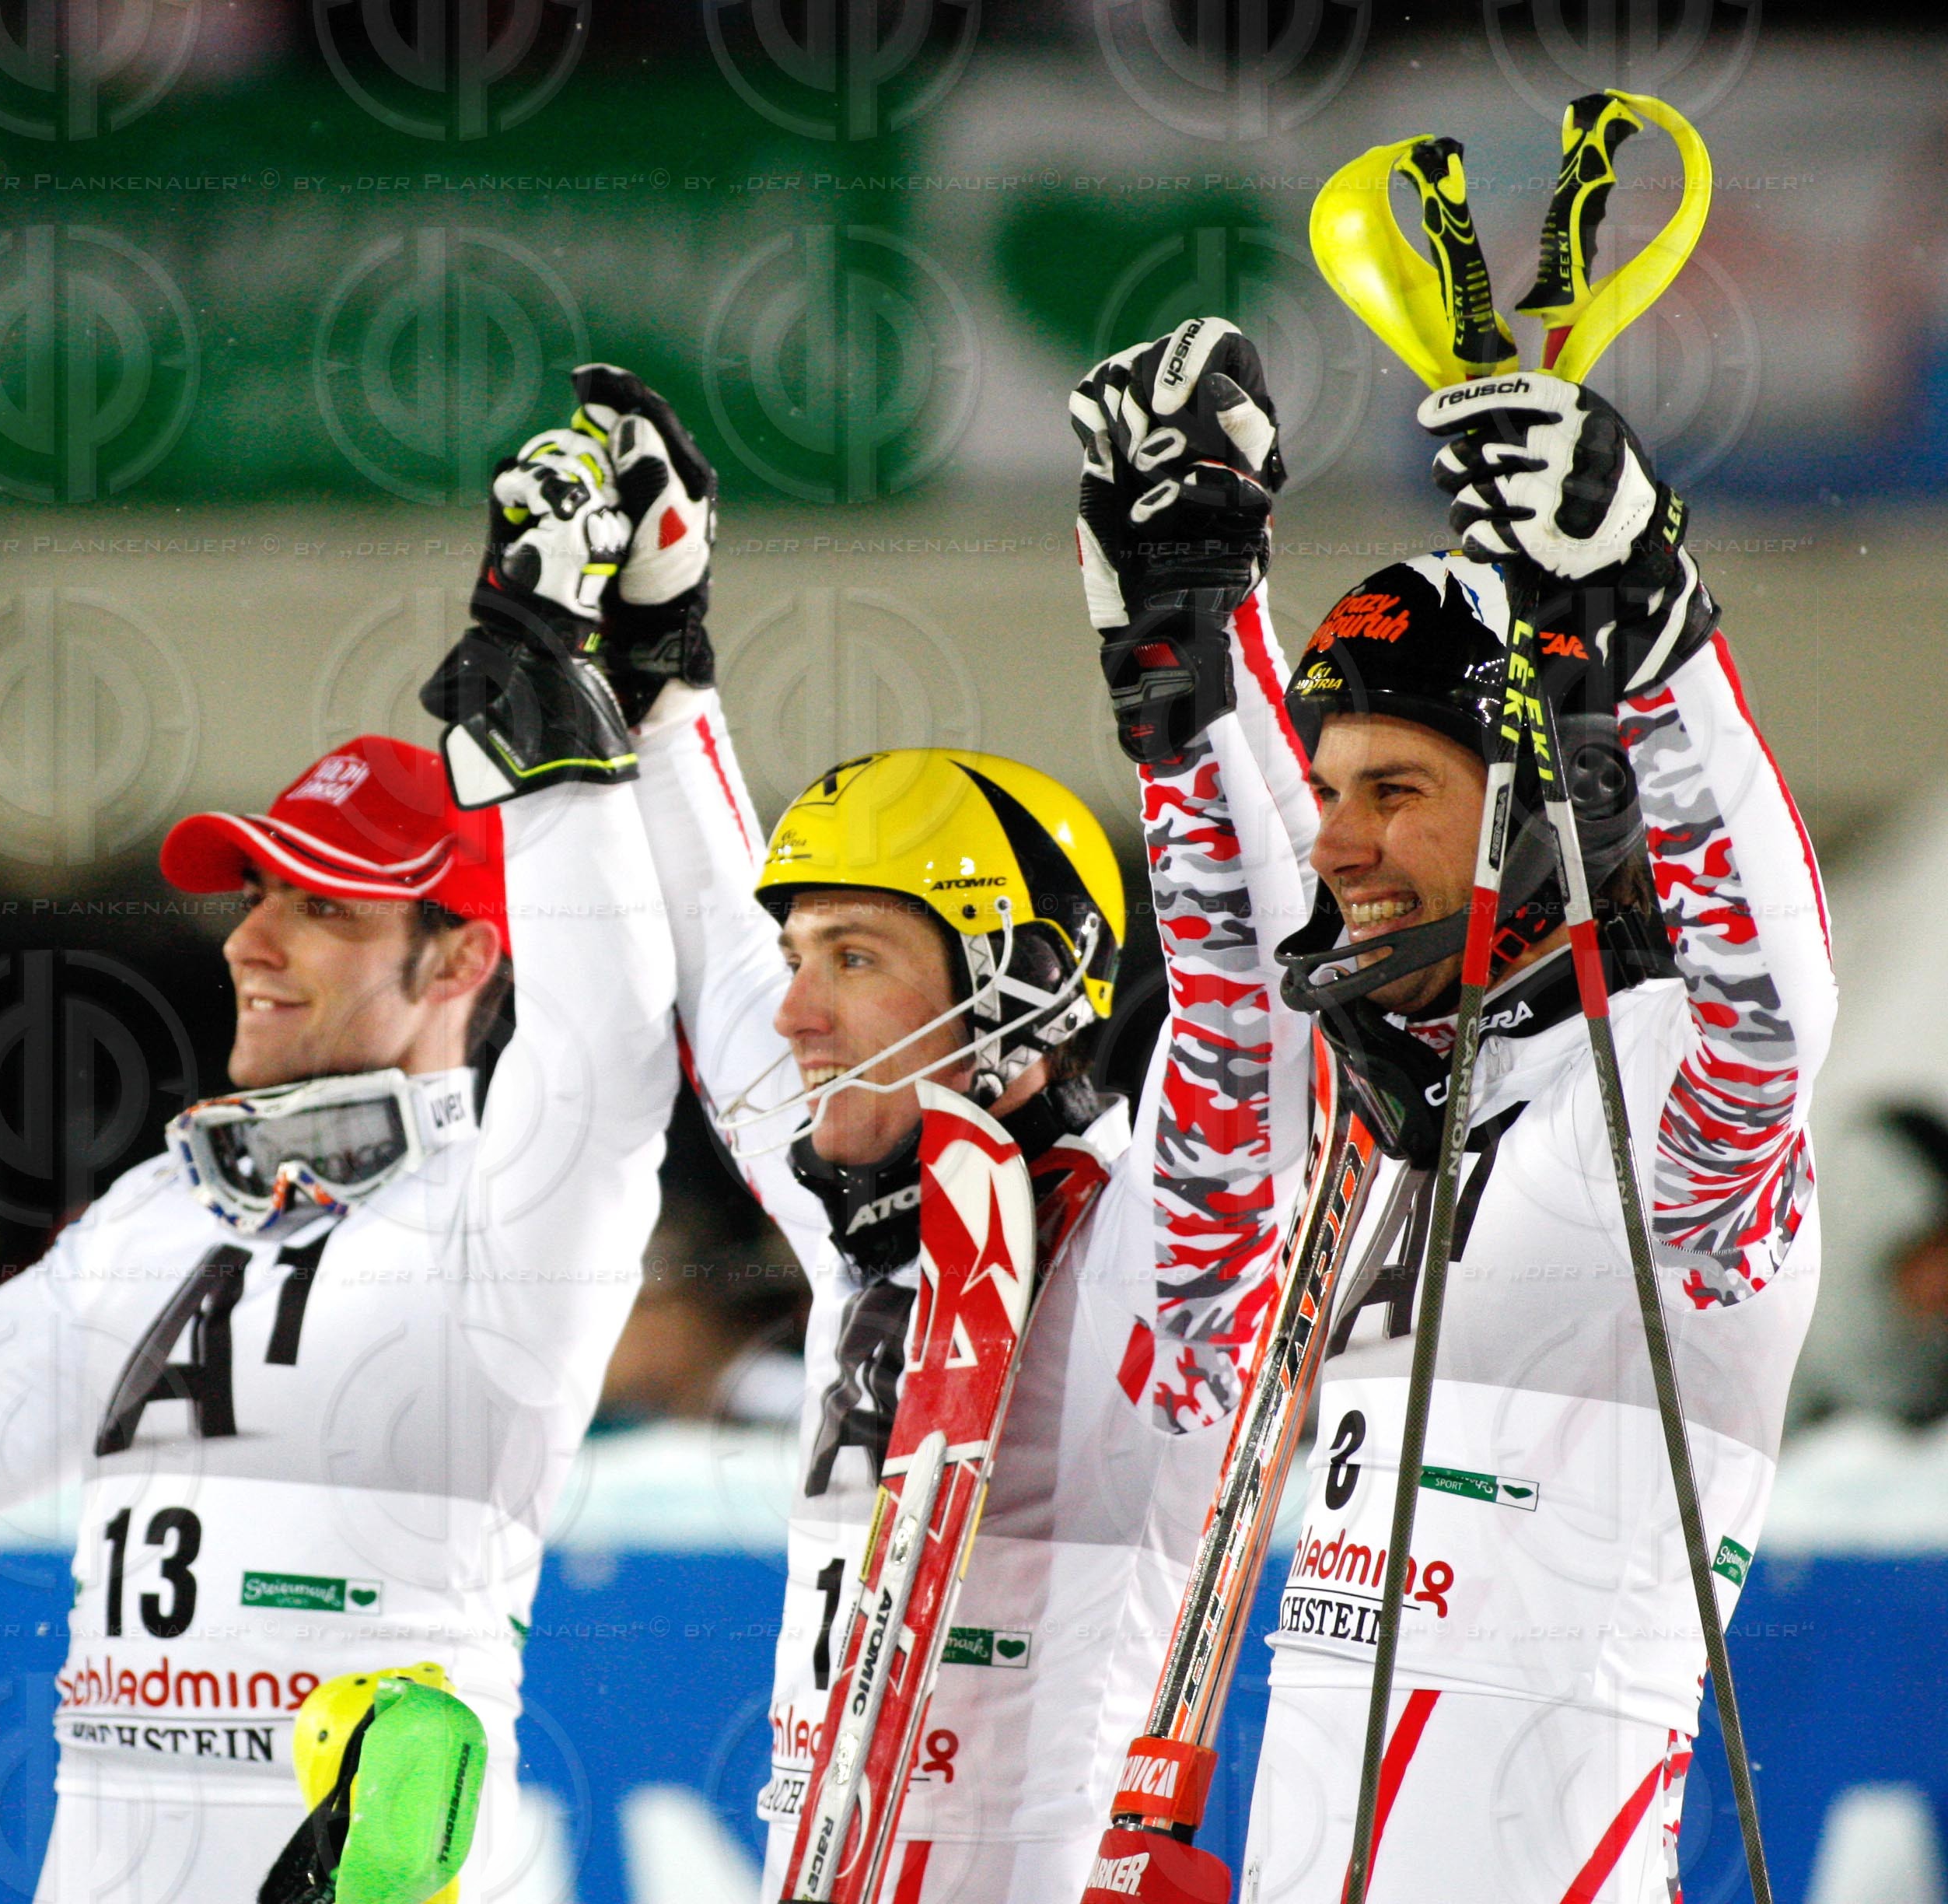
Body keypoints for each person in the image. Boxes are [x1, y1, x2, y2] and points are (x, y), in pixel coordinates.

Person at [0, 422, 680, 1902]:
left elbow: (609, 1051)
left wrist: (560, 747)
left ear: (464, 952)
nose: (251, 944)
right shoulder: (165, 1209)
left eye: (325, 912)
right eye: (259, 894)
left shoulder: (510, 1208)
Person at [561, 343, 1317, 1899]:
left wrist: (1198, 659)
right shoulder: (875, 1249)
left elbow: (1268, 1008)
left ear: (1023, 1001)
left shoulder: (1153, 1246)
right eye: (800, 958)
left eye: (855, 958)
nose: (793, 1014)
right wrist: (658, 660)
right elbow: (716, 964)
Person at [1156, 365, 1833, 1901]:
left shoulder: (1657, 1095)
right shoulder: (1411, 1122)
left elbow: (1773, 999)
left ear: (1541, 805)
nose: (1336, 841)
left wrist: (1652, 627)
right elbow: (1234, 973)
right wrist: (1195, 636)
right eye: (1325, 787)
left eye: (1392, 788)